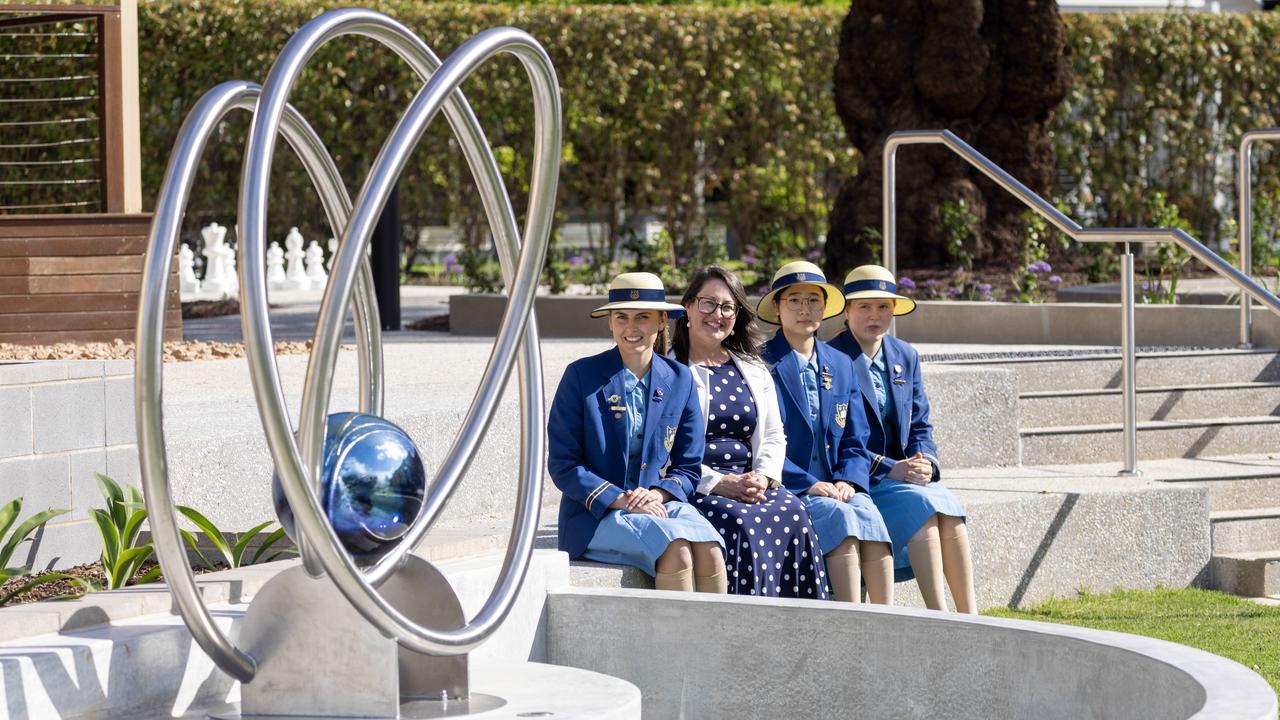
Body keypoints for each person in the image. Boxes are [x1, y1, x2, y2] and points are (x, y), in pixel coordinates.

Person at [547, 271, 728, 593]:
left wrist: (657, 493)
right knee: (676, 551)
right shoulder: (581, 376)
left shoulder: (680, 378)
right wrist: (620, 499)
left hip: (656, 502)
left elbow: (688, 466)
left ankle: (713, 643)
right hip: (595, 515)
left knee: (712, 550)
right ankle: (676, 645)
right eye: (622, 317)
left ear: (661, 322)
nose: (631, 327)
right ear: (610, 322)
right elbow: (564, 464)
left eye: (643, 317)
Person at [671, 266, 830, 599]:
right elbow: (666, 451)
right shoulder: (670, 370)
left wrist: (764, 477)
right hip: (699, 485)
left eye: (728, 307)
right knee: (742, 524)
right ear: (688, 307)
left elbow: (774, 435)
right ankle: (751, 628)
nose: (718, 314)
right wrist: (719, 483)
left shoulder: (754, 368)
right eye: (708, 304)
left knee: (793, 511)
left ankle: (801, 629)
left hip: (753, 482)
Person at [828, 264, 975, 613]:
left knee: (948, 508)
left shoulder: (904, 355)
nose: (874, 316)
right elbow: (836, 437)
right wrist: (892, 468)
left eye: (883, 307)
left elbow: (921, 423)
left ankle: (971, 617)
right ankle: (938, 617)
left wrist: (926, 463)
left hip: (907, 476)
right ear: (846, 310)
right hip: (862, 478)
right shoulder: (832, 358)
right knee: (922, 507)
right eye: (864, 306)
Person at [757, 260, 894, 604]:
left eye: (813, 300)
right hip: (791, 486)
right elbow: (757, 443)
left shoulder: (841, 363)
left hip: (838, 484)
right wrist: (808, 483)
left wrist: (849, 480)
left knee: (867, 513)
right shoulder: (759, 363)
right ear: (777, 306)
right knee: (838, 518)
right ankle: (849, 623)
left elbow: (855, 439)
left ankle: (889, 623)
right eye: (794, 300)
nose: (805, 310)